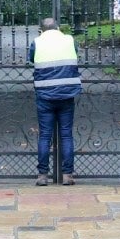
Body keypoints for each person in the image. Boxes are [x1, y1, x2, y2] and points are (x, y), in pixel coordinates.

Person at [28, 17, 81, 186]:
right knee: (66, 135)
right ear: (58, 28)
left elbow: (32, 59)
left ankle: (42, 175)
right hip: (67, 94)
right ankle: (67, 175)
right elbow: (75, 54)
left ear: (41, 30)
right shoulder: (69, 40)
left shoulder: (37, 42)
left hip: (44, 95)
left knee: (45, 135)